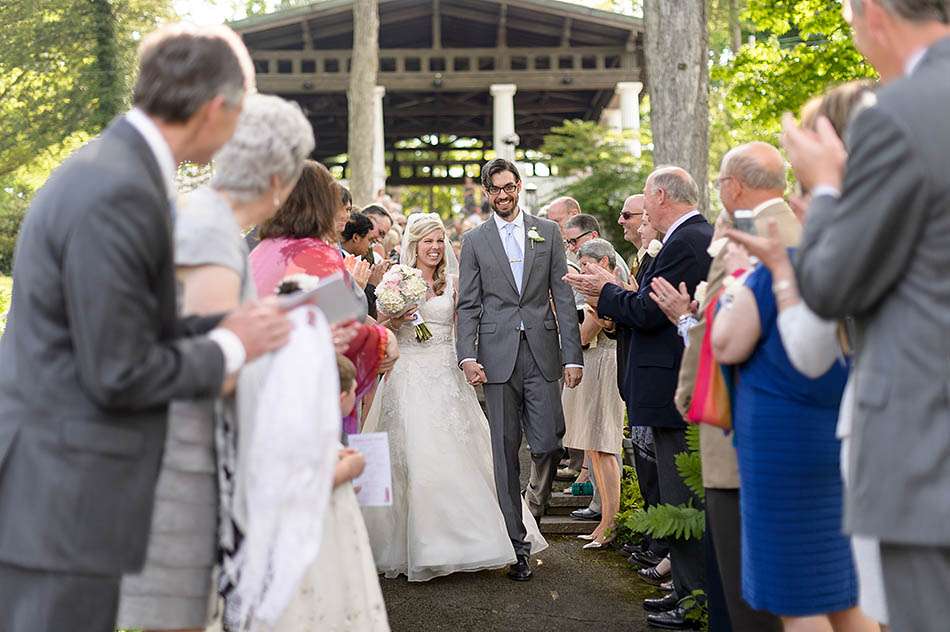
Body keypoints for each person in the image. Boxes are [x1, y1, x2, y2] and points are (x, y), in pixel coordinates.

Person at [0, 24, 293, 631]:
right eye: (242, 110)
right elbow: (119, 369)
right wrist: (233, 345)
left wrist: (225, 323)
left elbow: (128, 325)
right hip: (64, 497)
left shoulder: (117, 170)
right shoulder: (119, 188)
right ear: (216, 108)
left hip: (67, 491)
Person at [116, 93, 314, 631]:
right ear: (280, 177)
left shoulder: (207, 222)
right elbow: (211, 368)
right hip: (187, 472)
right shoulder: (212, 233)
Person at [784, 5, 950, 629]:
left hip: (926, 444)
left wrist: (826, 188)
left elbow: (829, 286)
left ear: (874, 14)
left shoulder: (902, 115)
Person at [362, 213, 547, 581]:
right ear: (413, 246)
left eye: (437, 240)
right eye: (426, 241)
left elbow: (467, 328)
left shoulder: (456, 282)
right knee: (411, 458)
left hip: (446, 373)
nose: (433, 247)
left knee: (462, 454)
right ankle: (416, 545)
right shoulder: (396, 280)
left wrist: (470, 361)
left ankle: (471, 542)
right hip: (408, 374)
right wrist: (397, 320)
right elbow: (379, 325)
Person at [565, 166, 712, 629]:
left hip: (670, 383)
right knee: (672, 491)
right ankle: (685, 593)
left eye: (646, 201)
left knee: (678, 494)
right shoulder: (683, 240)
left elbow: (651, 312)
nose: (642, 211)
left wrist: (604, 292)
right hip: (661, 380)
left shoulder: (687, 242)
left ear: (663, 196)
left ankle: (692, 601)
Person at [710, 233, 877, 632]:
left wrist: (736, 279)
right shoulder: (867, 258)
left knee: (798, 599)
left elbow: (726, 343)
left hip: (786, 451)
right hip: (842, 433)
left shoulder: (782, 267)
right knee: (845, 592)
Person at [664, 141, 798, 632]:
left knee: (742, 584)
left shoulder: (752, 237)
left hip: (741, 419)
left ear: (734, 186)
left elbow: (719, 335)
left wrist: (686, 388)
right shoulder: (798, 225)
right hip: (790, 422)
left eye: (720, 182)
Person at [456, 158, 583, 581]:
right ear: (486, 192)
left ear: (519, 186)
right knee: (504, 450)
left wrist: (572, 355)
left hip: (543, 351)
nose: (504, 195)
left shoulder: (547, 232)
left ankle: (534, 508)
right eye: (496, 189)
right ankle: (517, 542)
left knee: (548, 442)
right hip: (496, 356)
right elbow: (469, 303)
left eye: (510, 187)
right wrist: (467, 355)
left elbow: (563, 297)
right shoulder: (474, 241)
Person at [249, 161, 399, 435]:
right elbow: (341, 326)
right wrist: (385, 340)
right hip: (306, 394)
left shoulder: (261, 251)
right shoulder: (316, 254)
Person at [254, 352, 389, 632]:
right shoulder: (303, 433)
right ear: (341, 397)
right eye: (355, 391)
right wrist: (348, 470)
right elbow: (304, 484)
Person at [561, 239, 625, 549]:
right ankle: (604, 522)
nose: (585, 274)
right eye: (582, 267)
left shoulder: (605, 295)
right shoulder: (593, 296)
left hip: (605, 366)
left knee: (604, 446)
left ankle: (610, 523)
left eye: (591, 267)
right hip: (593, 365)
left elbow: (586, 334)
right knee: (595, 449)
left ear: (608, 266)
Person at [564, 214, 631, 280]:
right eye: (568, 242)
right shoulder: (599, 257)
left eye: (574, 241)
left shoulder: (612, 262)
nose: (571, 248)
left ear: (593, 236)